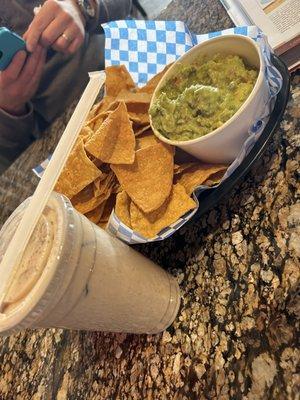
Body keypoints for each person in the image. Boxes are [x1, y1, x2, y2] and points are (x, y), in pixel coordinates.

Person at [0, 0, 132, 167]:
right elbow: (11, 157)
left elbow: (124, 5)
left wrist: (83, 6)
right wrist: (8, 108)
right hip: (64, 136)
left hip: (122, 65)